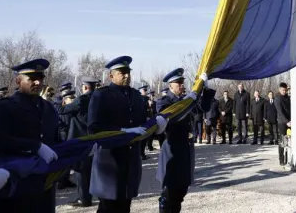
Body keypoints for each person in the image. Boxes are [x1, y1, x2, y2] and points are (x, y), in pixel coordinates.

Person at [0, 58, 60, 212]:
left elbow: (55, 140)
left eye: (40, 78)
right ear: (18, 81)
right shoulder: (3, 107)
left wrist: (79, 150)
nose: (38, 82)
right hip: (16, 184)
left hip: (44, 184)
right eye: (31, 78)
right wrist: (34, 147)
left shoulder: (48, 108)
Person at [87, 56, 150, 213]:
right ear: (111, 76)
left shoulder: (136, 96)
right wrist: (122, 131)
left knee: (125, 207)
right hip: (110, 163)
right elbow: (94, 128)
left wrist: (156, 126)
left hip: (130, 161)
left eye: (128, 72)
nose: (127, 75)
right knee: (108, 208)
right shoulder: (101, 95)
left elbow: (143, 123)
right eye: (122, 72)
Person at [156, 69, 214, 213]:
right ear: (170, 86)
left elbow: (202, 108)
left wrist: (205, 90)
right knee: (169, 193)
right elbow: (174, 117)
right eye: (179, 83)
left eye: (183, 83)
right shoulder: (164, 102)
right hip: (172, 150)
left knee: (181, 191)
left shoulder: (186, 100)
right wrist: (190, 99)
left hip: (185, 149)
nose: (182, 85)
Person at [56, 76, 99, 208]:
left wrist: (59, 99)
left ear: (85, 87)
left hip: (80, 140)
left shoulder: (81, 100)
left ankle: (84, 199)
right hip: (94, 138)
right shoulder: (98, 98)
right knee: (90, 170)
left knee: (81, 171)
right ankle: (89, 195)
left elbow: (61, 110)